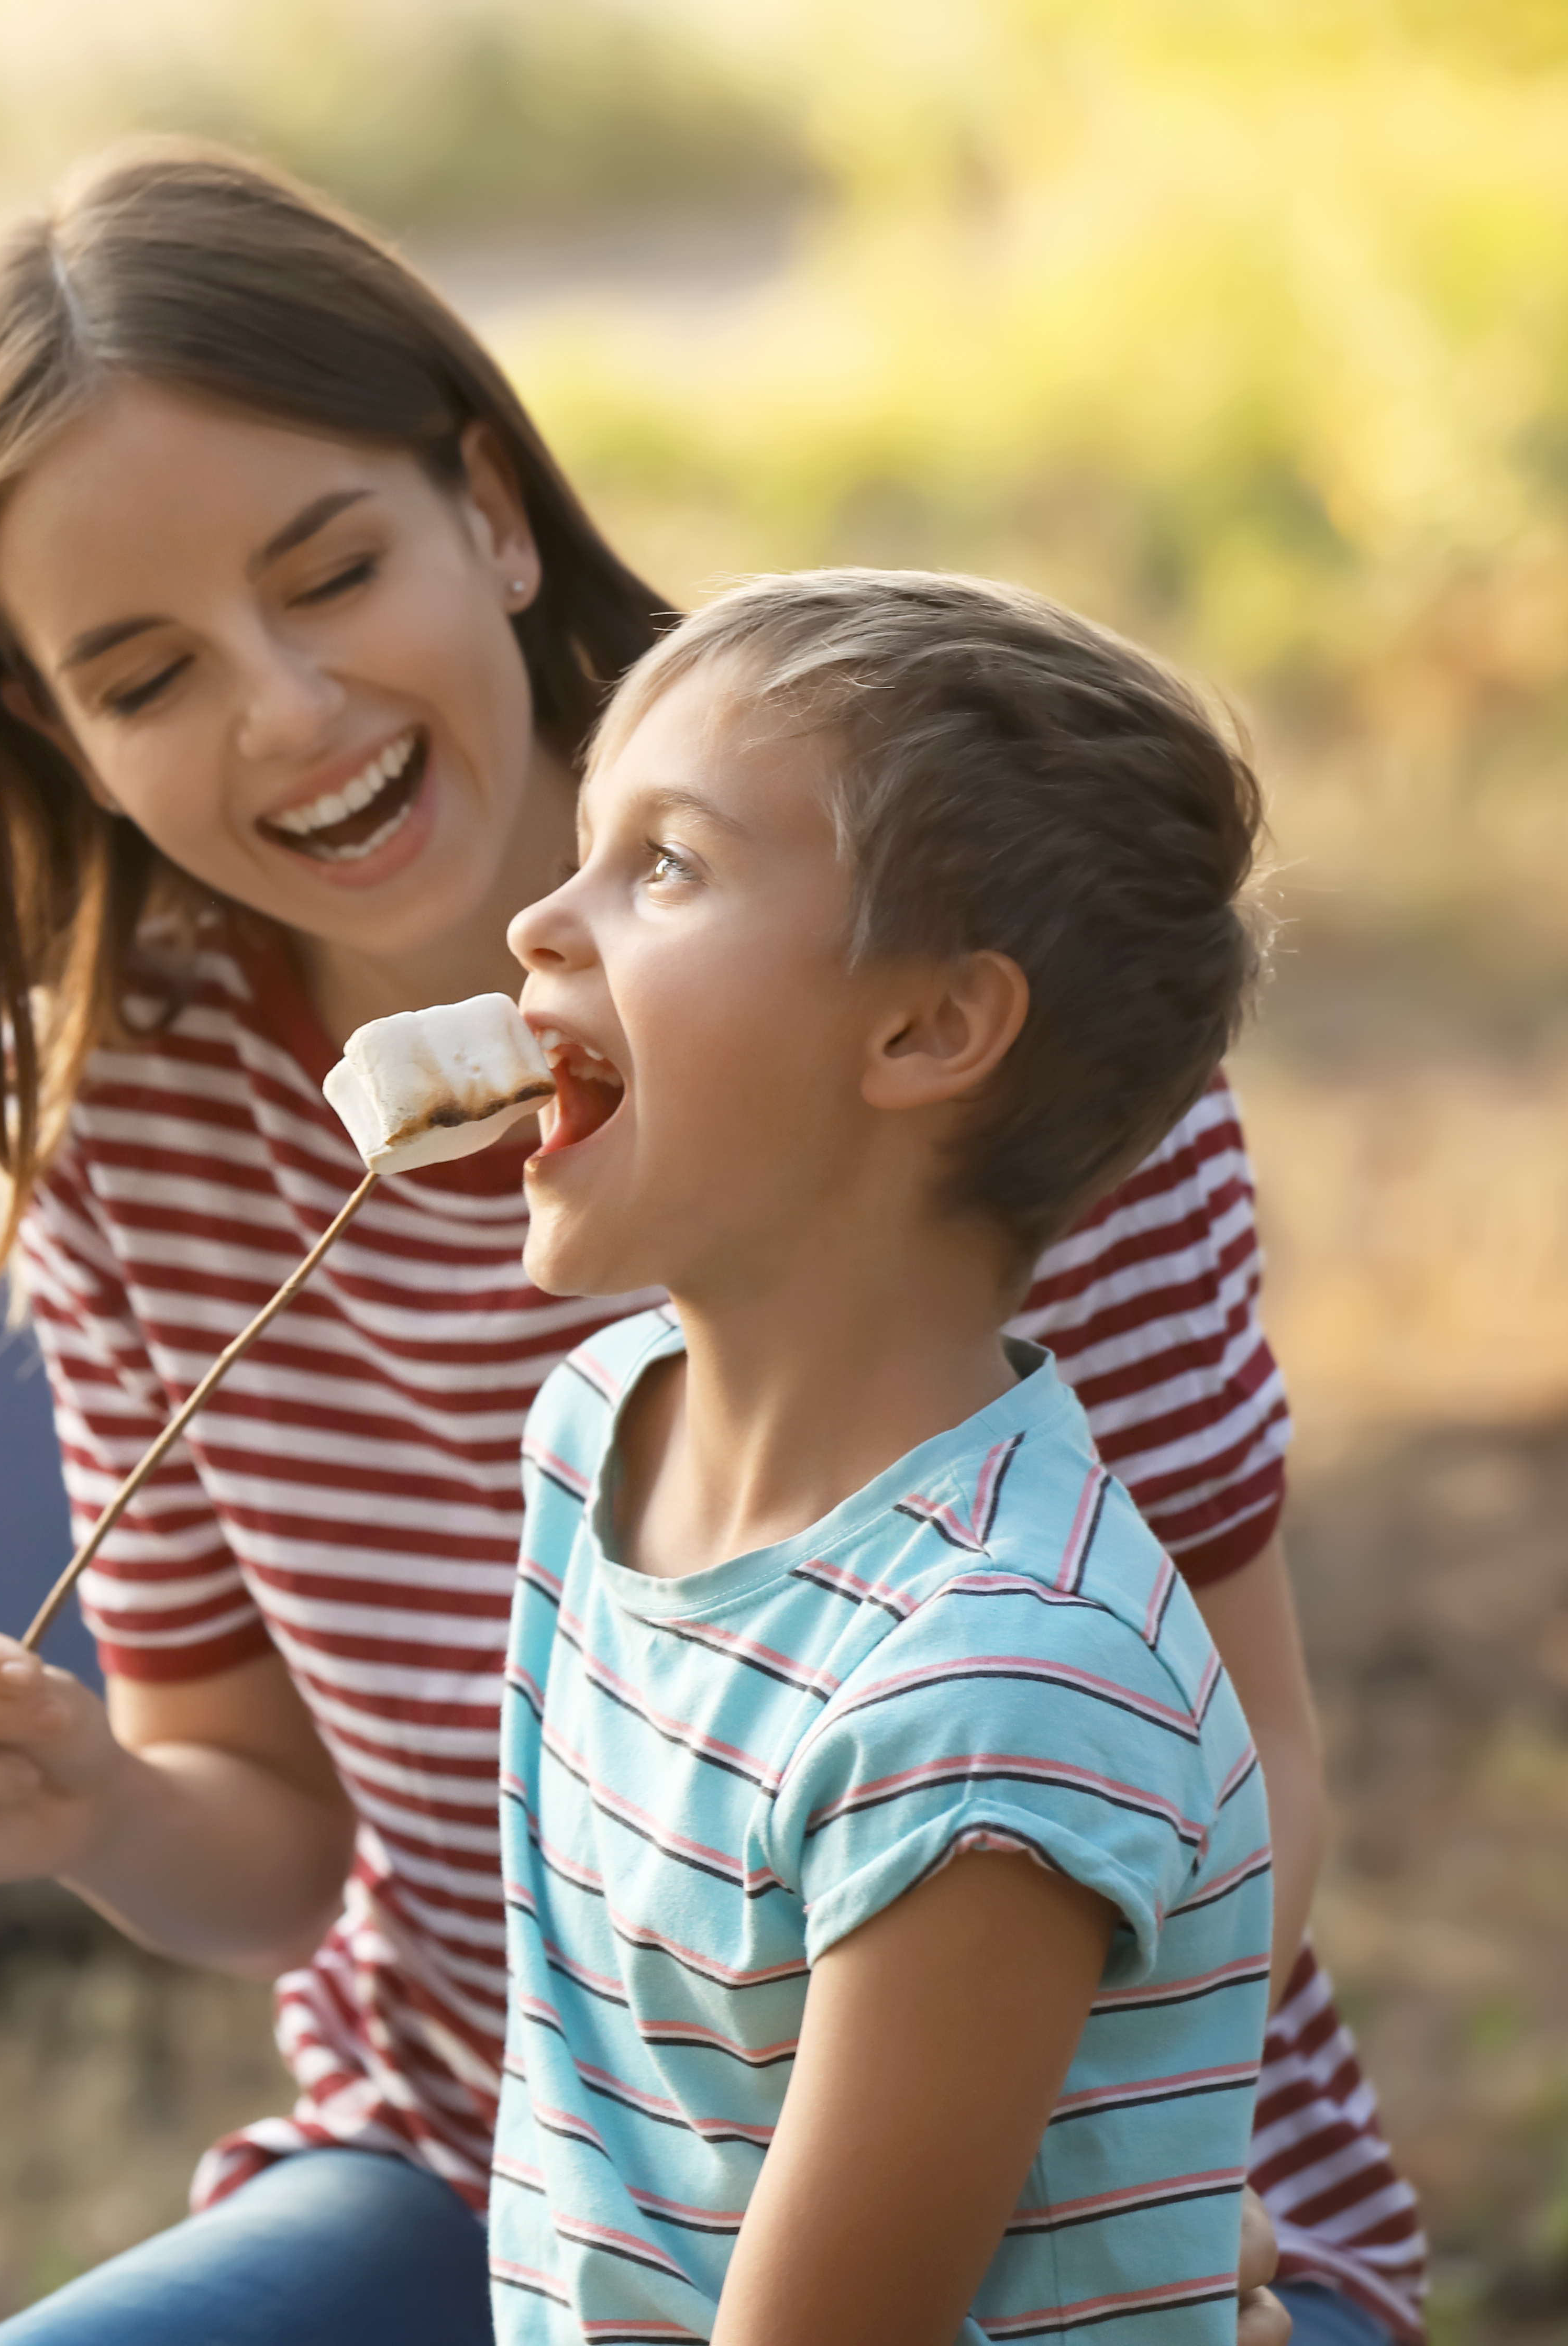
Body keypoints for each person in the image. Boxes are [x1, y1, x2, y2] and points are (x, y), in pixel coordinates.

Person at [0, 145, 1420, 2344]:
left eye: (331, 572)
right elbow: (281, 1836)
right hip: (497, 2173)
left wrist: (1105, 2204)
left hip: (1063, 2203)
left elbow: (1230, 1772)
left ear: (488, 508)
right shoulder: (153, 1129)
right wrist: (100, 1797)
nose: (286, 711)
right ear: (58, 734)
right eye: (148, 673)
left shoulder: (945, 996)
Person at [494, 566, 1277, 2344]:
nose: (541, 924)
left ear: (929, 1028)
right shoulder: (599, 1434)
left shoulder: (995, 1688)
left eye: (664, 866)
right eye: (582, 848)